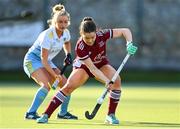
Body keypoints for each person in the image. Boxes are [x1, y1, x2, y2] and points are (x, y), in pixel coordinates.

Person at [36, 17, 138, 124]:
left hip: (101, 64)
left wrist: (129, 43)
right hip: (84, 67)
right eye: (86, 38)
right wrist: (107, 81)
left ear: (96, 32)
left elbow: (125, 31)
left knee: (116, 82)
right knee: (68, 87)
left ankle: (110, 115)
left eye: (92, 37)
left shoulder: (102, 34)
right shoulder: (80, 47)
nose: (90, 40)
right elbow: (92, 69)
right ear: (81, 34)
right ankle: (46, 115)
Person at [23, 4, 77, 120]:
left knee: (67, 85)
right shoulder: (48, 35)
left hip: (46, 60)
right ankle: (30, 113)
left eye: (65, 22)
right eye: (60, 22)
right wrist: (54, 75)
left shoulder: (66, 33)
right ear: (54, 22)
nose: (63, 25)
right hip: (32, 60)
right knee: (46, 85)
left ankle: (63, 113)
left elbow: (67, 42)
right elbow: (43, 59)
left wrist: (68, 54)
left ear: (68, 22)